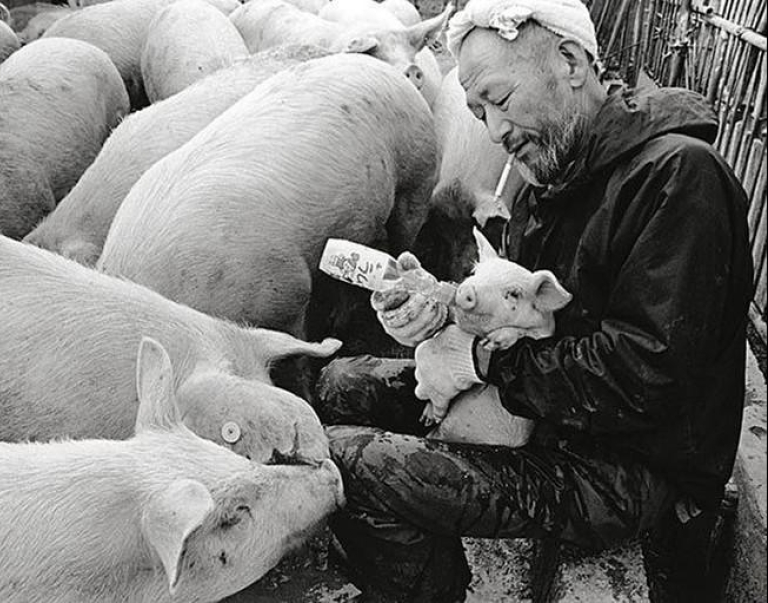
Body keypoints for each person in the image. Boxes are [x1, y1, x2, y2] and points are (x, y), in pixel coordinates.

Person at [313, 0, 755, 601]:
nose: (493, 130)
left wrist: (486, 361)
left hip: (628, 467)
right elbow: (514, 300)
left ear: (571, 61)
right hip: (540, 410)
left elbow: (642, 376)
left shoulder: (679, 179)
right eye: (477, 111)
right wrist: (443, 307)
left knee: (350, 461)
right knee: (336, 382)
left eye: (498, 98)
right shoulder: (548, 170)